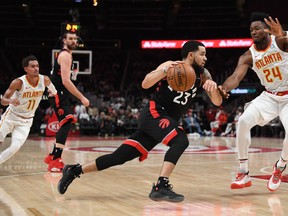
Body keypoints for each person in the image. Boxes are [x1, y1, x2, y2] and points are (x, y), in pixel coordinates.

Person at [57, 40, 223, 202]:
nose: (205, 58)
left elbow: (217, 102)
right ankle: (161, 186)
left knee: (119, 157)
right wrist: (164, 71)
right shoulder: (172, 65)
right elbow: (145, 84)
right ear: (190, 55)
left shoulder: (204, 75)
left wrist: (213, 87)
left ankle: (74, 170)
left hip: (165, 121)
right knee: (180, 140)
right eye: (202, 54)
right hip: (154, 113)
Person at [218, 13, 288, 191]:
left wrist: (283, 35)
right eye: (251, 30)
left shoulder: (280, 41)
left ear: (267, 29)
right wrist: (224, 88)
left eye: (257, 28)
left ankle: (280, 166)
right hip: (270, 96)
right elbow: (235, 77)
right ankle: (243, 172)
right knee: (243, 121)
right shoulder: (249, 55)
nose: (253, 32)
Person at [44, 31, 90, 172]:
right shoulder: (65, 55)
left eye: (75, 39)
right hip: (58, 93)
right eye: (70, 38)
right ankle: (56, 161)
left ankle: (52, 156)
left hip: (59, 92)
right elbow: (66, 81)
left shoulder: (65, 55)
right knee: (66, 122)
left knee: (66, 122)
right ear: (64, 40)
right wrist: (82, 97)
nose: (73, 41)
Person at [0, 55, 57, 164]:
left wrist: (53, 93)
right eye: (32, 66)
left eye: (37, 66)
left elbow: (54, 91)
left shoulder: (44, 80)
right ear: (26, 69)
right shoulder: (18, 82)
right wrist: (10, 101)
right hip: (11, 116)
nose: (36, 68)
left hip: (26, 121)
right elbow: (3, 100)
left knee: (15, 147)